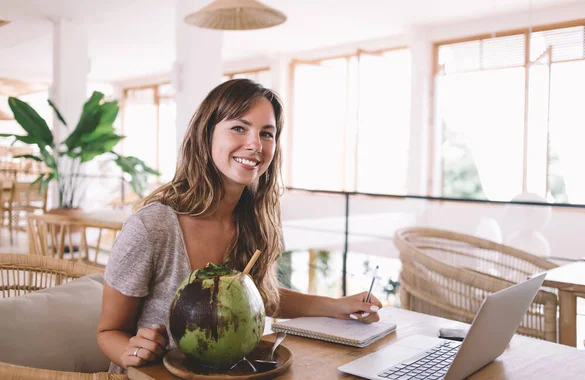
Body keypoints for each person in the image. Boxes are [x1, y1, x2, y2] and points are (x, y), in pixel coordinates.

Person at [97, 79, 383, 373]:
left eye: (267, 133)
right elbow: (108, 333)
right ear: (206, 134)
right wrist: (134, 350)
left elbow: (258, 296)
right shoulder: (152, 226)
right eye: (239, 128)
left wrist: (335, 306)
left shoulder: (254, 221)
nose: (255, 144)